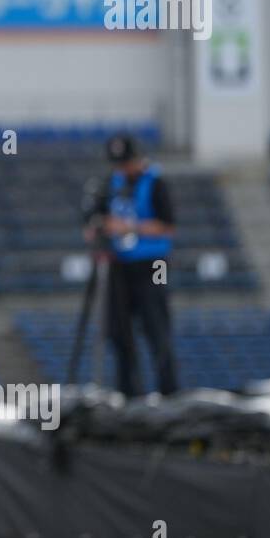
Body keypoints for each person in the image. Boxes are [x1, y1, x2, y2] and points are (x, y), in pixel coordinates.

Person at [83, 133, 180, 396]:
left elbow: (168, 227)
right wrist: (97, 226)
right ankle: (129, 394)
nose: (123, 169)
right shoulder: (110, 184)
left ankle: (168, 394)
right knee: (119, 333)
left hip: (152, 266)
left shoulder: (156, 183)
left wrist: (129, 227)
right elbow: (95, 220)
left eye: (126, 163)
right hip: (118, 267)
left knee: (156, 329)